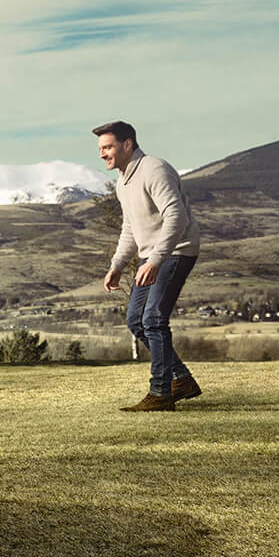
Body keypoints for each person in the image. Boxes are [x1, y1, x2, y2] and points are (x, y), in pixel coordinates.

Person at [95, 120, 202, 412]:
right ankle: (181, 379)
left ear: (127, 144)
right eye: (100, 149)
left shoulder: (154, 169)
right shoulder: (122, 180)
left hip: (176, 250)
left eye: (108, 147)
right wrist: (117, 265)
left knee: (153, 319)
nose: (102, 154)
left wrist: (156, 259)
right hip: (153, 255)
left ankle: (160, 393)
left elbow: (176, 218)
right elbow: (130, 227)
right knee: (136, 321)